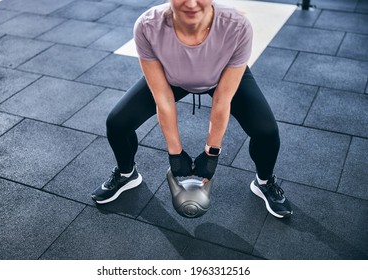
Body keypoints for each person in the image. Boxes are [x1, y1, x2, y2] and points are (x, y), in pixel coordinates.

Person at [91, 0, 292, 218]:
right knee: (117, 123)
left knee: (267, 131)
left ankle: (264, 181)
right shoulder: (148, 26)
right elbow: (163, 98)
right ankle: (126, 174)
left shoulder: (237, 26)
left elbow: (222, 99)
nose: (192, 2)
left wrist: (212, 153)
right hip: (171, 78)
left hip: (221, 76)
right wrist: (175, 153)